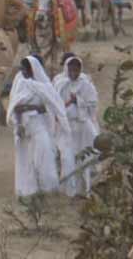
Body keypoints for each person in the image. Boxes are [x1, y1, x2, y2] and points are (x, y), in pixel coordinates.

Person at [6, 56, 68, 197]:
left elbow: (51, 106)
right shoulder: (20, 83)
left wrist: (30, 107)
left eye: (26, 69)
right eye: (22, 69)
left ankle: (48, 187)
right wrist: (20, 124)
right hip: (24, 128)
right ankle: (29, 190)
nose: (23, 72)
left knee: (44, 155)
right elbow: (15, 106)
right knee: (26, 159)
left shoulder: (45, 86)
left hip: (39, 127)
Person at [53, 55, 99, 197]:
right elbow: (55, 105)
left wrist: (77, 101)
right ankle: (70, 191)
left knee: (83, 158)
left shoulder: (86, 85)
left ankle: (84, 190)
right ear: (67, 68)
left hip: (82, 127)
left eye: (76, 68)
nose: (74, 71)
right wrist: (68, 104)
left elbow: (93, 105)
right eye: (71, 68)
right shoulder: (60, 85)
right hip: (67, 128)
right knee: (67, 158)